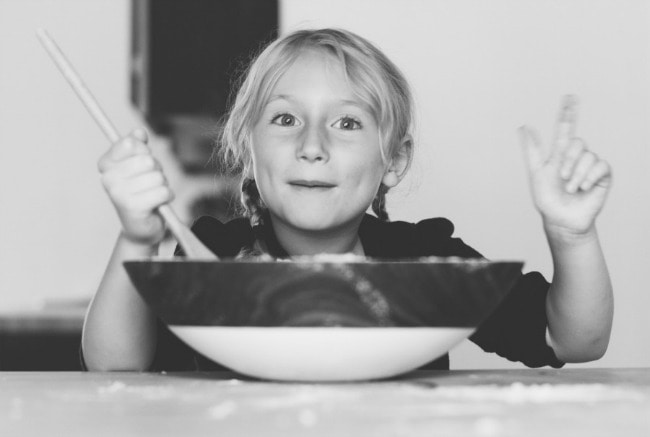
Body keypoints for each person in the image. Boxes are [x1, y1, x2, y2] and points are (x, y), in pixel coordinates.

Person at [81, 28, 613, 371]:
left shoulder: (425, 261)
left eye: (348, 122)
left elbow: (573, 340)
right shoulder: (208, 254)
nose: (312, 146)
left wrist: (573, 235)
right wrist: (136, 237)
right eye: (286, 119)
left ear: (394, 161)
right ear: (248, 148)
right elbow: (114, 367)